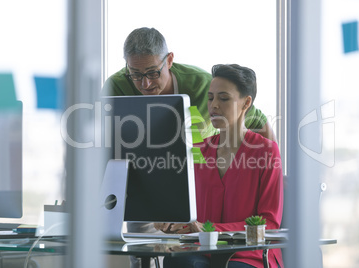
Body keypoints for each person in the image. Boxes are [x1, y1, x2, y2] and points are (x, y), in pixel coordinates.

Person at [156, 64, 284, 268]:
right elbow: (185, 209)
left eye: (223, 98)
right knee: (178, 264)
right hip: (203, 252)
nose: (213, 105)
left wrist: (208, 229)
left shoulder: (266, 151)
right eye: (210, 98)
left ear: (246, 103)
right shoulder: (196, 151)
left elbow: (268, 223)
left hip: (249, 255)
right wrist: (172, 221)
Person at [101, 27, 276, 141]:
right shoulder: (116, 88)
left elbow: (257, 120)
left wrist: (274, 176)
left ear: (169, 60)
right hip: (137, 177)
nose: (145, 84)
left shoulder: (204, 85)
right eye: (135, 74)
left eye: (153, 72)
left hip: (200, 174)